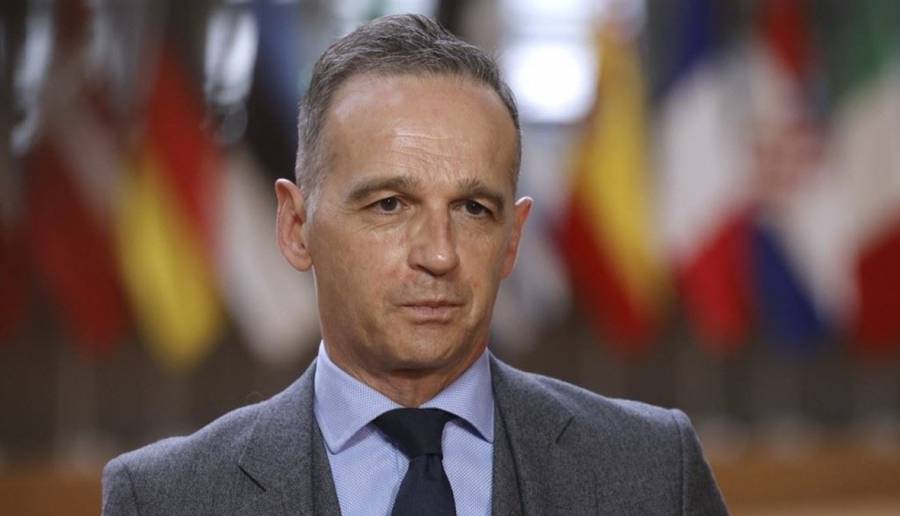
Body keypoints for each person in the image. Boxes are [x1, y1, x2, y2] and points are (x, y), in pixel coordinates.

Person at [101, 14, 728, 516]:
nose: (438, 254)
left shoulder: (652, 473)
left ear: (513, 240)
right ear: (295, 228)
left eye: (474, 209)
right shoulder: (165, 500)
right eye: (390, 204)